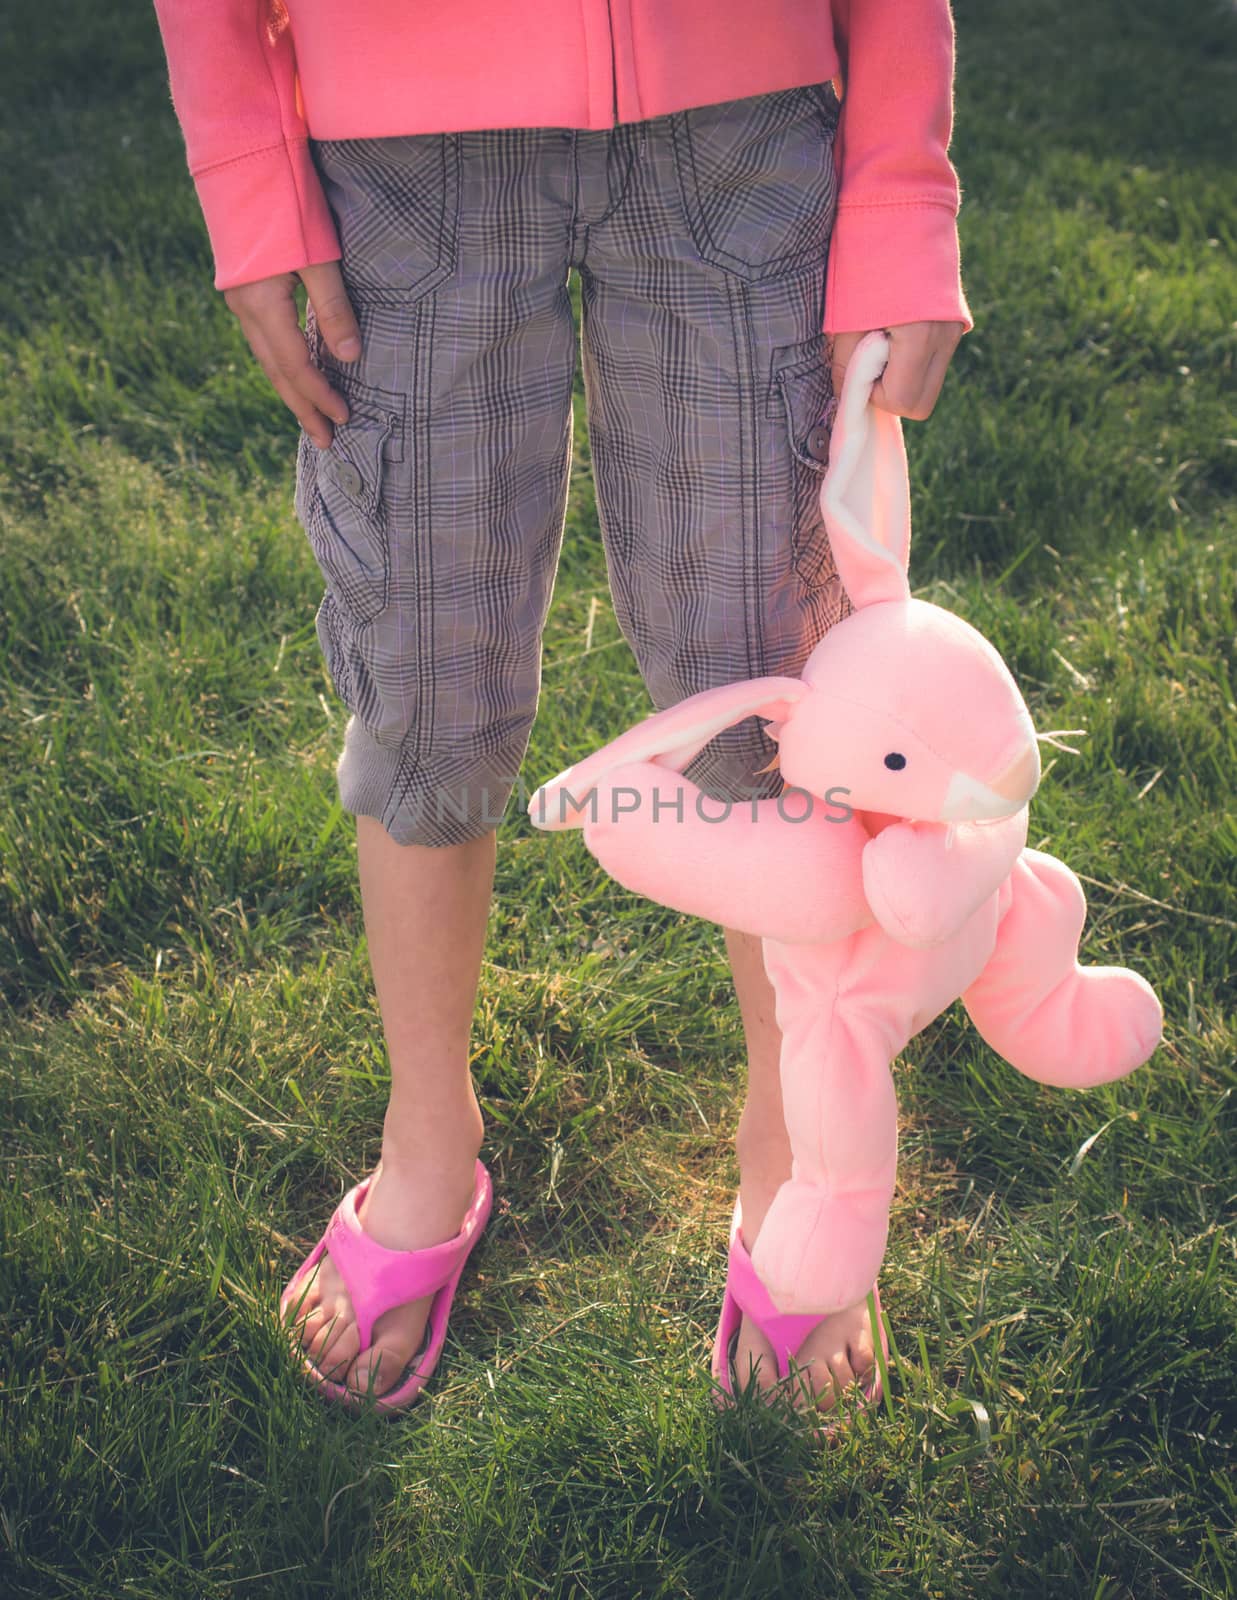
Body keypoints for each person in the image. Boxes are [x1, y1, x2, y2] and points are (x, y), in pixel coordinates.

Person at [151, 0, 971, 1415]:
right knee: (424, 664)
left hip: (741, 126)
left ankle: (793, 1157)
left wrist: (898, 191)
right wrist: (249, 174)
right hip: (398, 153)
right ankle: (426, 1140)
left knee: (777, 693)